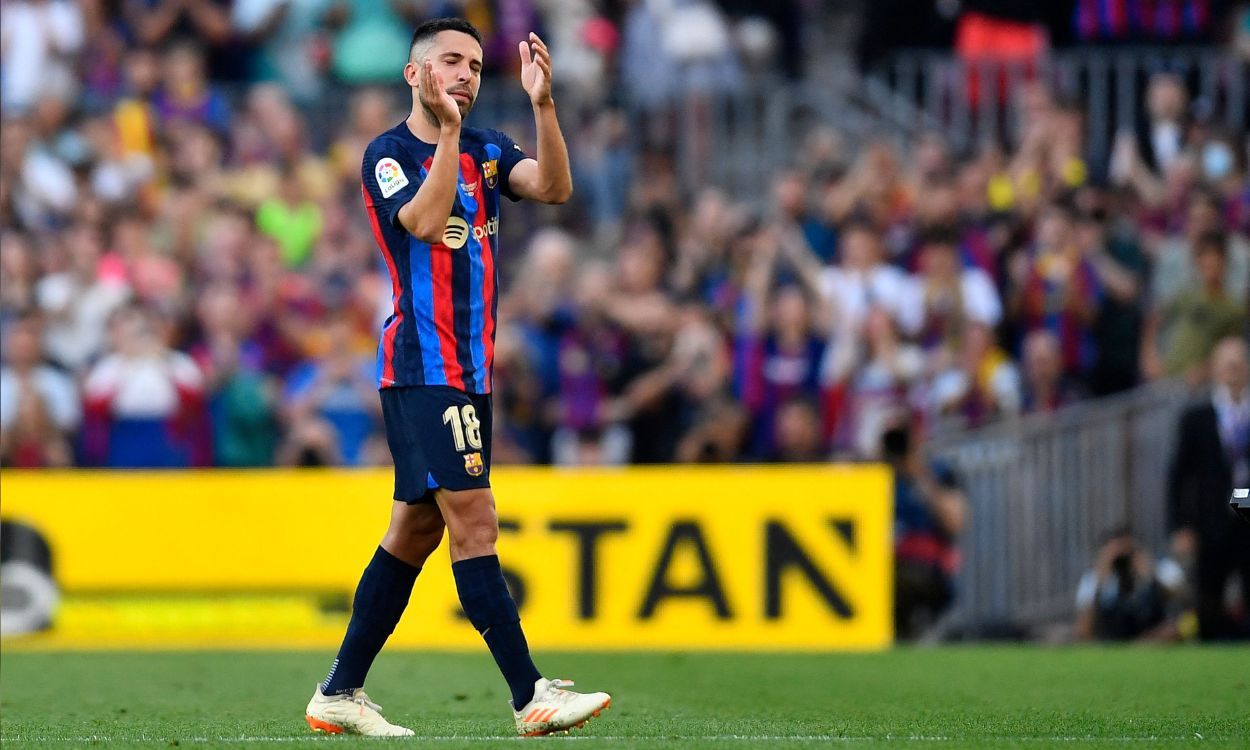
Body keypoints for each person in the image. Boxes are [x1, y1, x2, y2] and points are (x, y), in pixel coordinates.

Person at [303, 18, 611, 738]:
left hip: (469, 372)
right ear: (415, 74)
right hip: (423, 364)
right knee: (475, 520)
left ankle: (339, 690)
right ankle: (529, 692)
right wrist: (445, 136)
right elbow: (422, 221)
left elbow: (555, 187)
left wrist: (543, 106)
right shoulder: (389, 153)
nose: (466, 74)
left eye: (474, 63)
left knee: (413, 533)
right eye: (450, 61)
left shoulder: (488, 147)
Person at [1168, 337, 1250, 640]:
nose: (1233, 368)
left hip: (1246, 507)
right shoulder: (1197, 417)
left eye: (1238, 362)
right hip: (1212, 516)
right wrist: (1182, 525)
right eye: (1226, 362)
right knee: (1209, 594)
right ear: (1214, 369)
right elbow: (1179, 476)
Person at [1073, 529, 1185, 642]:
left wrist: (1150, 575)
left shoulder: (1162, 569)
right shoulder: (1093, 578)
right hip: (1112, 638)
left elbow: (1179, 602)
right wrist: (1101, 579)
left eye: (1129, 552)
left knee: (1172, 630)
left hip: (1153, 636)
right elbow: (1083, 628)